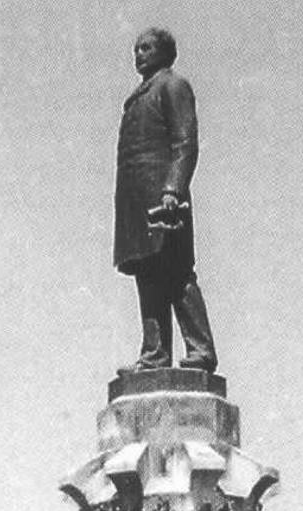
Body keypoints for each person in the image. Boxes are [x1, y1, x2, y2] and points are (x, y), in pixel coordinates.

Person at [113, 28, 218, 375]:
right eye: (136, 49)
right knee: (148, 273)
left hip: (164, 201)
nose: (139, 54)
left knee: (175, 273)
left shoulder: (172, 86)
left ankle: (201, 350)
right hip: (138, 203)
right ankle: (154, 353)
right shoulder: (138, 96)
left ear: (165, 52)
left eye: (146, 48)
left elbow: (185, 143)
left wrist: (173, 189)